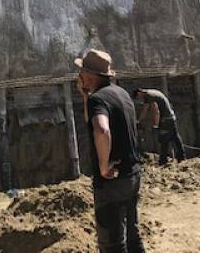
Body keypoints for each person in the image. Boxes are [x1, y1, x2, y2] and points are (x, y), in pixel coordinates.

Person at [75, 49, 146, 253]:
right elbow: (94, 119)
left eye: (81, 72)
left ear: (90, 74)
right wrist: (85, 96)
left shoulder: (99, 99)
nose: (79, 77)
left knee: (112, 244)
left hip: (111, 181)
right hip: (131, 175)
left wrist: (103, 165)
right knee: (133, 236)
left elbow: (102, 129)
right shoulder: (120, 94)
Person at [133, 87, 185, 165]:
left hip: (165, 119)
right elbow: (149, 109)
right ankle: (181, 157)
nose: (140, 99)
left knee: (164, 138)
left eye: (138, 97)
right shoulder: (151, 93)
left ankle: (163, 161)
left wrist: (155, 124)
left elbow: (154, 110)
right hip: (170, 117)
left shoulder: (148, 96)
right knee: (174, 137)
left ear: (139, 93)